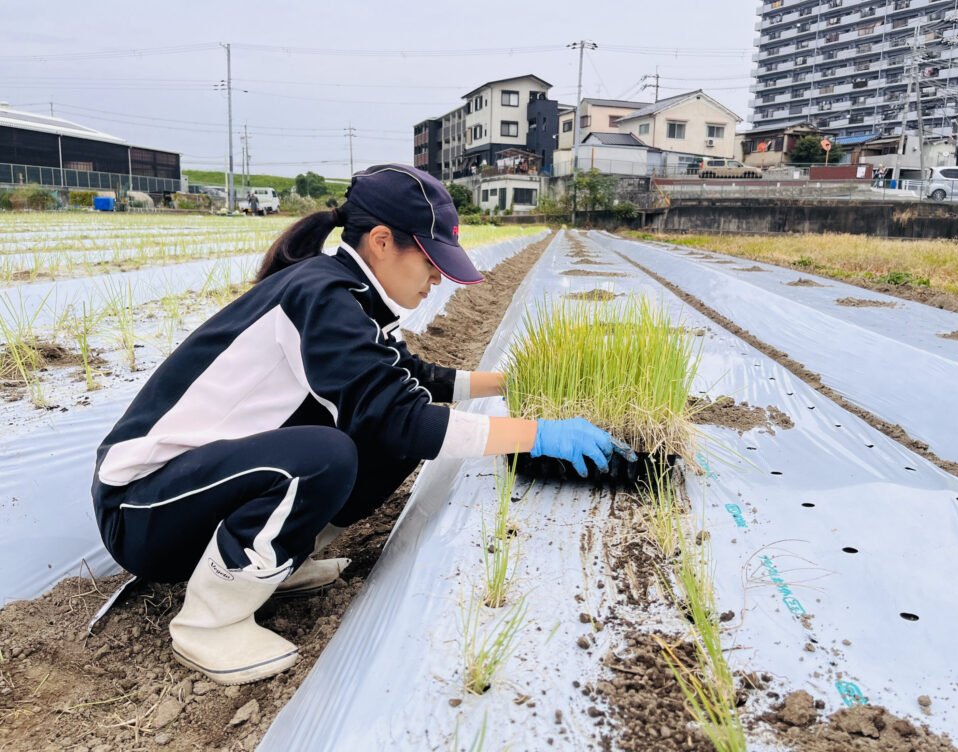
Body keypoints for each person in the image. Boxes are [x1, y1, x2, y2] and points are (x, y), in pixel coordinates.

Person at [91, 164, 632, 686]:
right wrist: (539, 434)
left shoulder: (352, 295)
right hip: (141, 508)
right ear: (380, 241)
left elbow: (406, 379)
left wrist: (503, 383)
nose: (439, 279)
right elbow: (398, 416)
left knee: (382, 442)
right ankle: (208, 621)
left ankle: (274, 562)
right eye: (431, 261)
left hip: (195, 494)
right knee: (330, 453)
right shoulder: (323, 295)